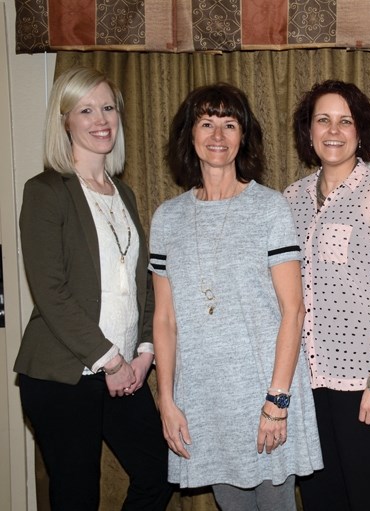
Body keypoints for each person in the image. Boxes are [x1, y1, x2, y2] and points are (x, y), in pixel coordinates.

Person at [150, 83, 322, 510]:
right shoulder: (167, 218)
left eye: (230, 124)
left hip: (264, 393)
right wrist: (166, 401)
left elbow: (293, 311)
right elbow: (165, 319)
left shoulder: (268, 209)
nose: (218, 136)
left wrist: (277, 400)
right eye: (206, 123)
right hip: (205, 399)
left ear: (243, 135)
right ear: (189, 134)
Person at [15, 66, 172, 510]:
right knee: (76, 495)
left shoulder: (124, 195)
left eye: (107, 107)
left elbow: (142, 281)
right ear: (65, 120)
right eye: (86, 109)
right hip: (64, 375)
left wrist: (144, 353)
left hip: (125, 372)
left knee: (159, 474)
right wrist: (112, 361)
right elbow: (51, 291)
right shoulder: (46, 191)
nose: (100, 119)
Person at [284, 80, 370, 511]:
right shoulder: (291, 199)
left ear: (361, 132)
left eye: (345, 121)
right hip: (309, 383)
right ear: (309, 130)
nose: (333, 130)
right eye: (323, 120)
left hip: (365, 384)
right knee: (322, 500)